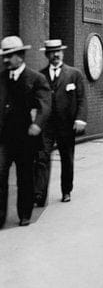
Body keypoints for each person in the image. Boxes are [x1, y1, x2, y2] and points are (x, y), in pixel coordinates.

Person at [0, 36, 51, 228]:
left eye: (9, 56)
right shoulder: (2, 79)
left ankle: (24, 214)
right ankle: (0, 216)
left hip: (26, 138)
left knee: (25, 177)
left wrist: (37, 123)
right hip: (4, 138)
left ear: (20, 55)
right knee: (0, 175)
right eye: (4, 56)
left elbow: (45, 105)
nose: (5, 60)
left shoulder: (36, 79)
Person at [34, 39, 88, 205]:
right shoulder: (40, 75)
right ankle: (39, 195)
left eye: (58, 52)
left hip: (66, 125)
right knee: (42, 158)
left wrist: (80, 119)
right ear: (47, 55)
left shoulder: (74, 74)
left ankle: (66, 191)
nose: (55, 55)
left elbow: (82, 99)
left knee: (67, 158)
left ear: (62, 53)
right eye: (52, 52)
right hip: (47, 126)